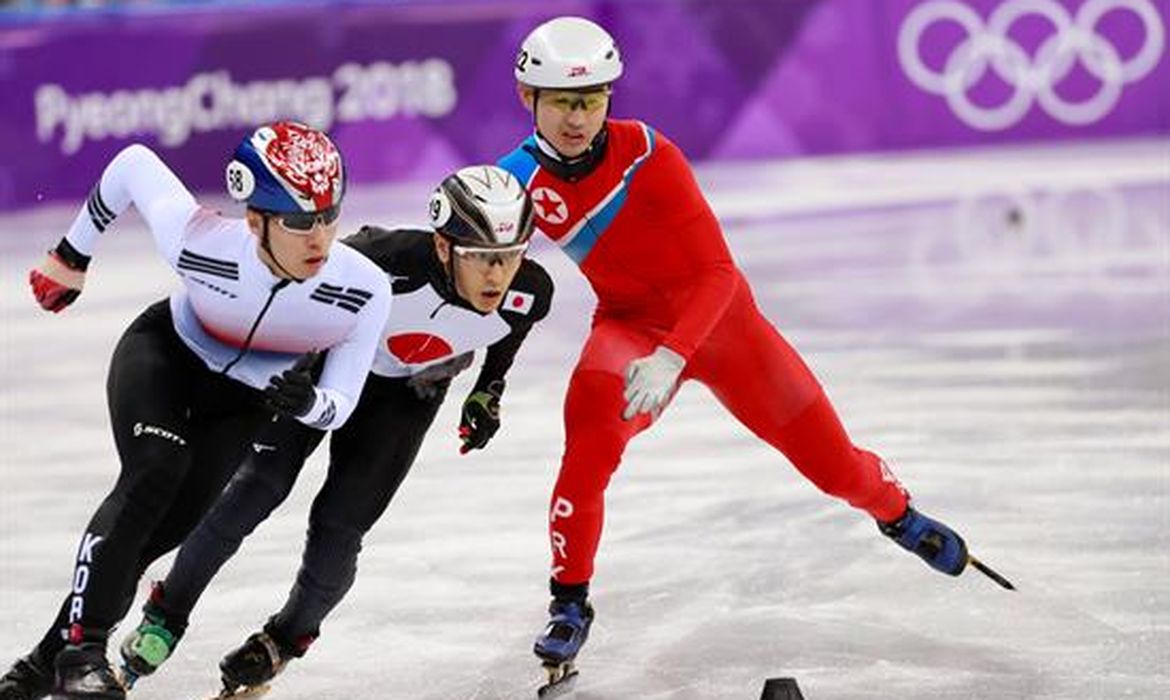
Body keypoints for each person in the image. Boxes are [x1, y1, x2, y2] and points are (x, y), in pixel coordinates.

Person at [499, 16, 980, 686]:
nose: (578, 118)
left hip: (724, 330)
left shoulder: (647, 155)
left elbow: (718, 276)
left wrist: (674, 356)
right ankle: (568, 603)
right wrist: (479, 379)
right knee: (587, 442)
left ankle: (898, 514)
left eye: (591, 100)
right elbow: (482, 280)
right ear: (528, 98)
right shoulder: (511, 181)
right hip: (630, 330)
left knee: (837, 471)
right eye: (561, 102)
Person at [112, 165, 554, 697]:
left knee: (340, 529)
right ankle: (167, 614)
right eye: (481, 258)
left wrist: (490, 387)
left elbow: (510, 327)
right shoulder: (380, 259)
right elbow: (293, 283)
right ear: (442, 246)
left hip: (405, 394)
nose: (497, 276)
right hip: (321, 368)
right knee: (254, 490)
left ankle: (284, 639)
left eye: (510, 257)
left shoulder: (531, 291)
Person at [0, 121, 390, 700]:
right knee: (154, 471)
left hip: (241, 406)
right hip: (164, 359)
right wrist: (71, 253)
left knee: (151, 539)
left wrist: (310, 403)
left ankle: (39, 667)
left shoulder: (363, 289)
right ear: (255, 219)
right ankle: (84, 652)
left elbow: (341, 404)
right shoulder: (200, 240)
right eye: (301, 221)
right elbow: (132, 164)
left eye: (330, 215)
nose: (321, 238)